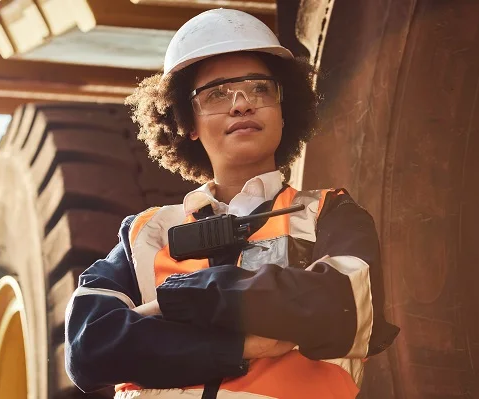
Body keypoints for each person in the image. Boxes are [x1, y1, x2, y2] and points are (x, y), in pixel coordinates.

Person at [64, 8, 400, 399]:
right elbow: (88, 346)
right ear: (186, 121)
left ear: (283, 108)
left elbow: (342, 309)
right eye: (216, 94)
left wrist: (177, 301)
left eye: (260, 88)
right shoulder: (145, 233)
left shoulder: (329, 214)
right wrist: (241, 346)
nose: (241, 104)